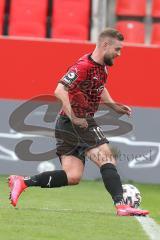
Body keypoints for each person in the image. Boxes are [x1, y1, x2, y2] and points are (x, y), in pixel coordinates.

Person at [8, 28, 149, 216]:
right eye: (117, 49)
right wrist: (75, 116)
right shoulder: (83, 66)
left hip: (66, 124)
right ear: (105, 45)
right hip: (78, 121)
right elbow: (59, 90)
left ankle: (23, 181)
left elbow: (100, 87)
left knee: (72, 176)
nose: (119, 54)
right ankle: (121, 205)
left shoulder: (102, 67)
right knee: (106, 157)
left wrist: (113, 106)